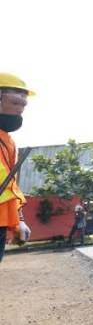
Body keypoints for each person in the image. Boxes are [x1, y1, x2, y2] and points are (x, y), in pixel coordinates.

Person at [0, 72, 32, 263]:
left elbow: (9, 186)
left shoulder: (9, 143)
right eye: (15, 103)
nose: (20, 109)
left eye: (23, 104)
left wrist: (18, 220)